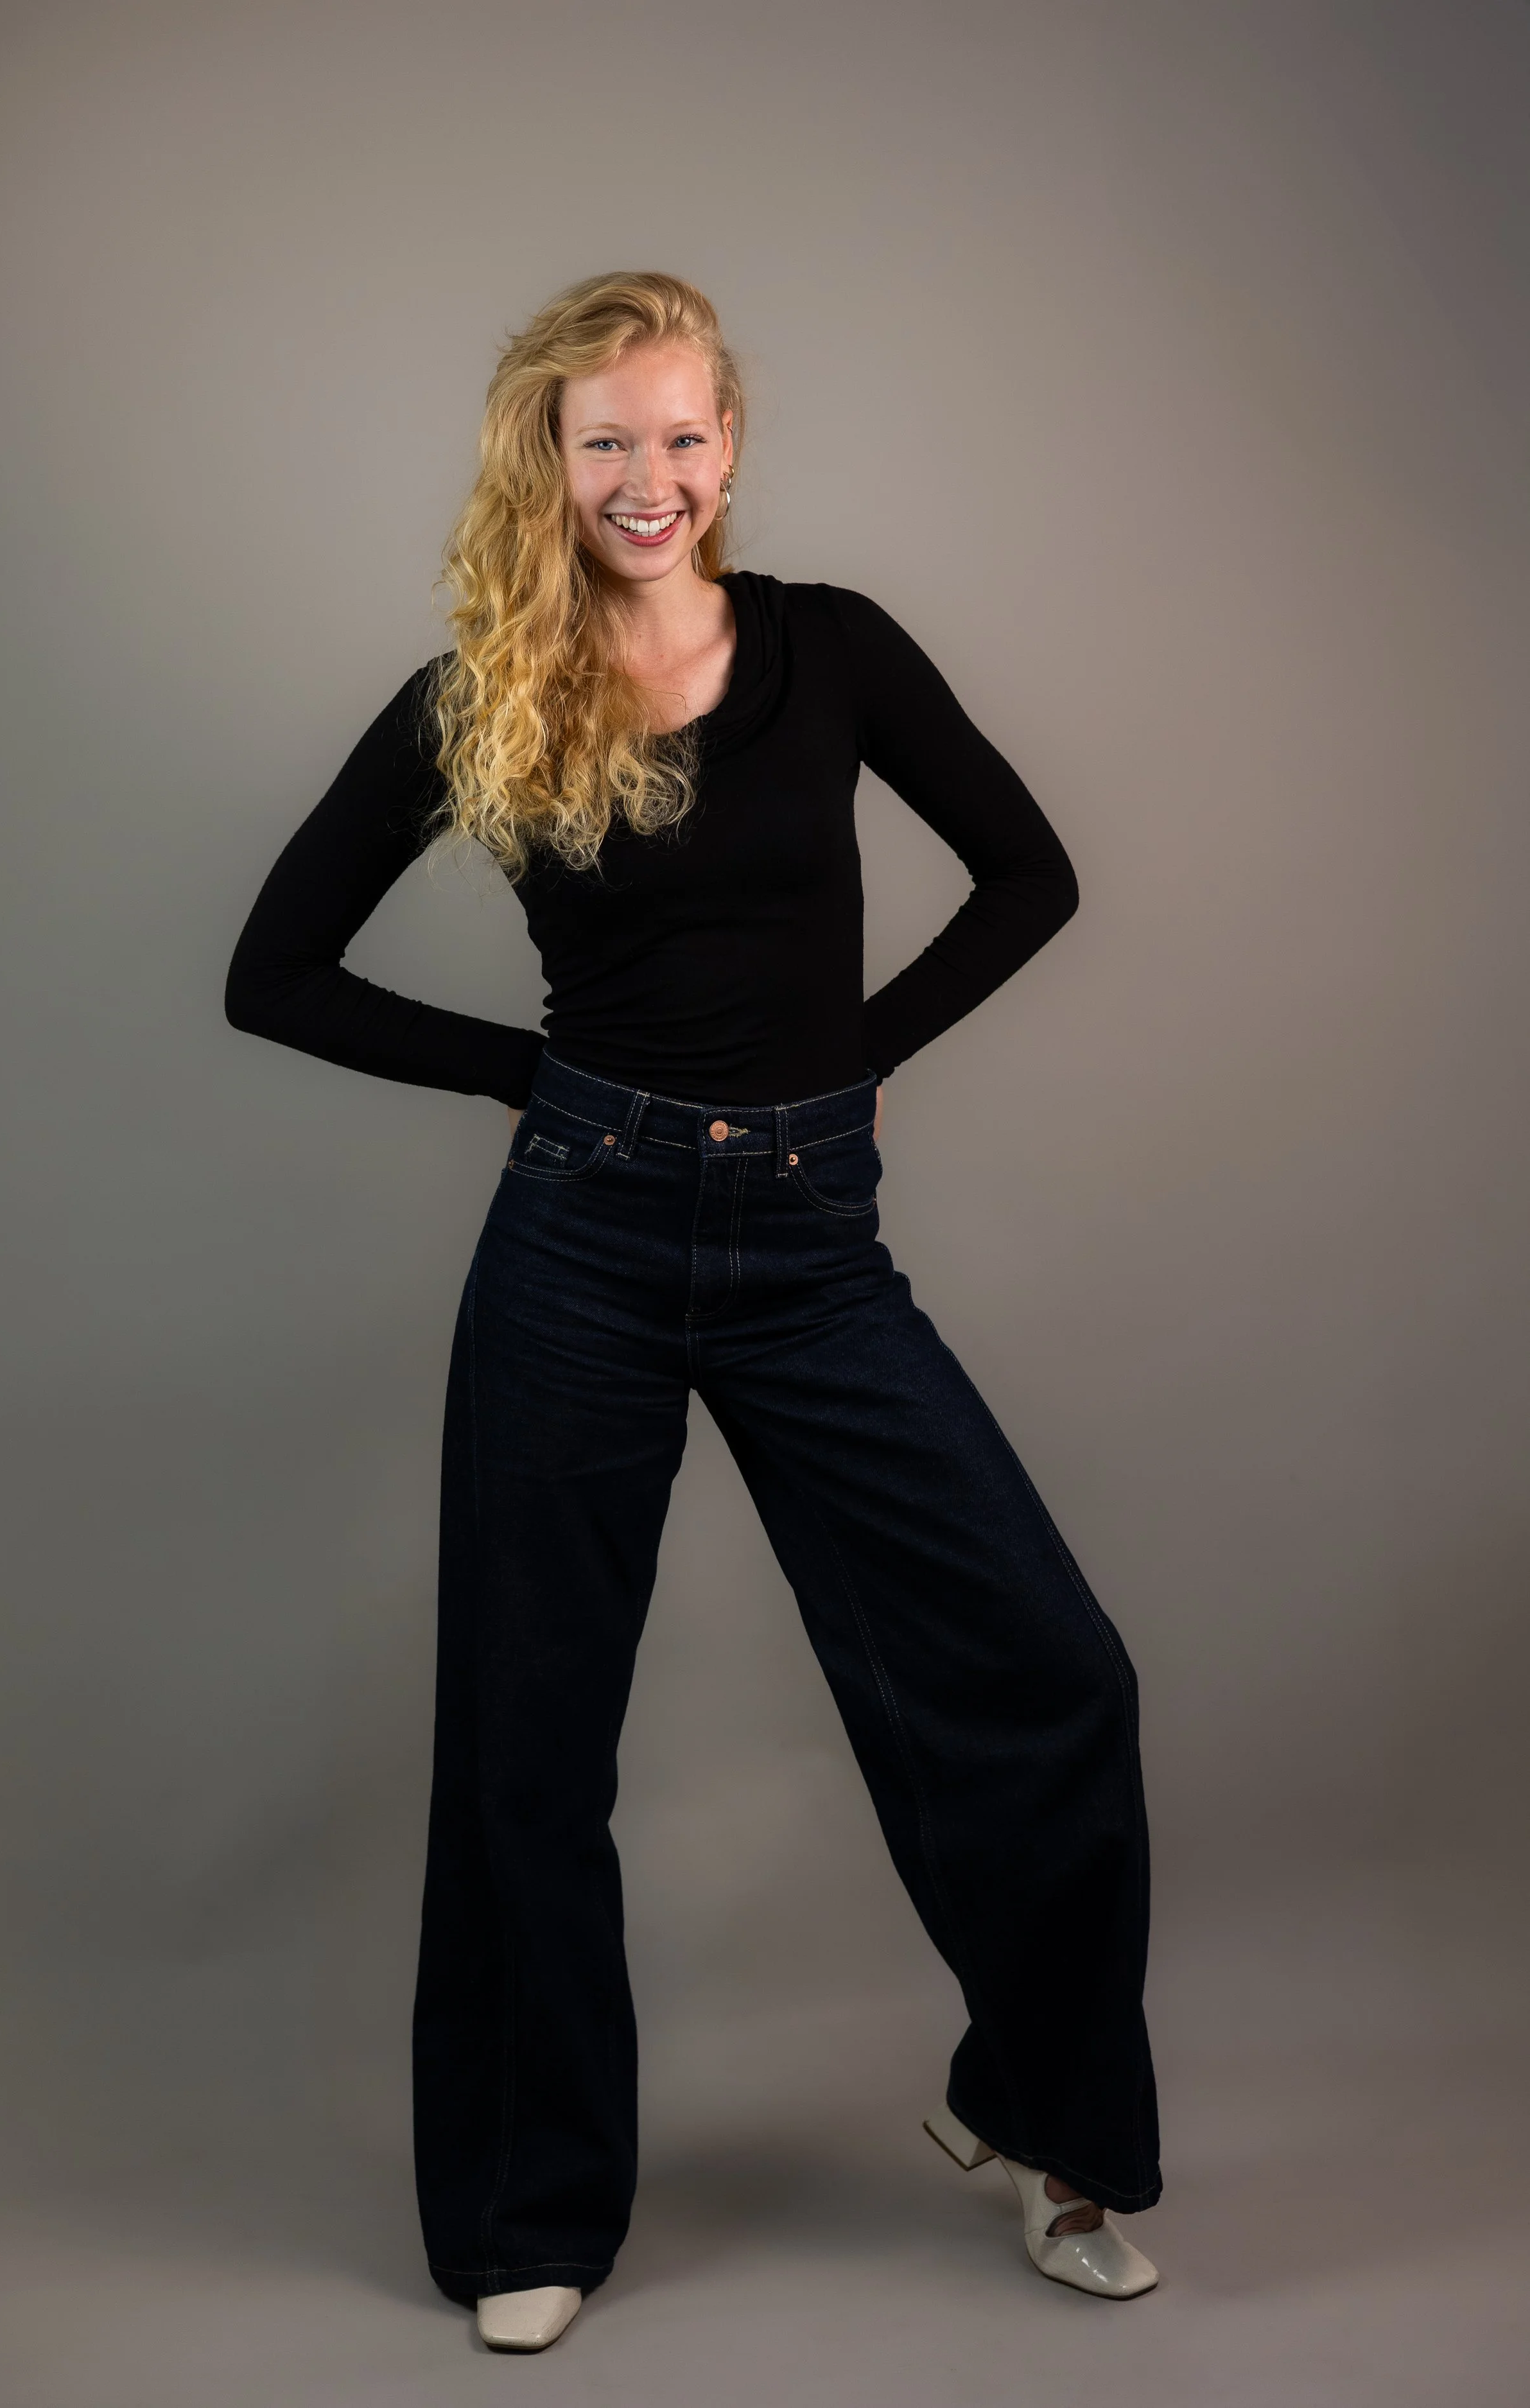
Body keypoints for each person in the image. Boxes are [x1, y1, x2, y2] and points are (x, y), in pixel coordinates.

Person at [225, 270, 1161, 2353]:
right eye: (604, 442)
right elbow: (268, 973)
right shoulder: (484, 687)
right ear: (546, 461)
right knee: (528, 1742)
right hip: (581, 1237)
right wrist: (521, 1076)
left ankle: (1043, 2110)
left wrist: (859, 1053)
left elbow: (1029, 875)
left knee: (1048, 1669)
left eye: (678, 435)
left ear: (729, 446)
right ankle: (527, 2207)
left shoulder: (837, 647)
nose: (646, 477)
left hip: (812, 1240)